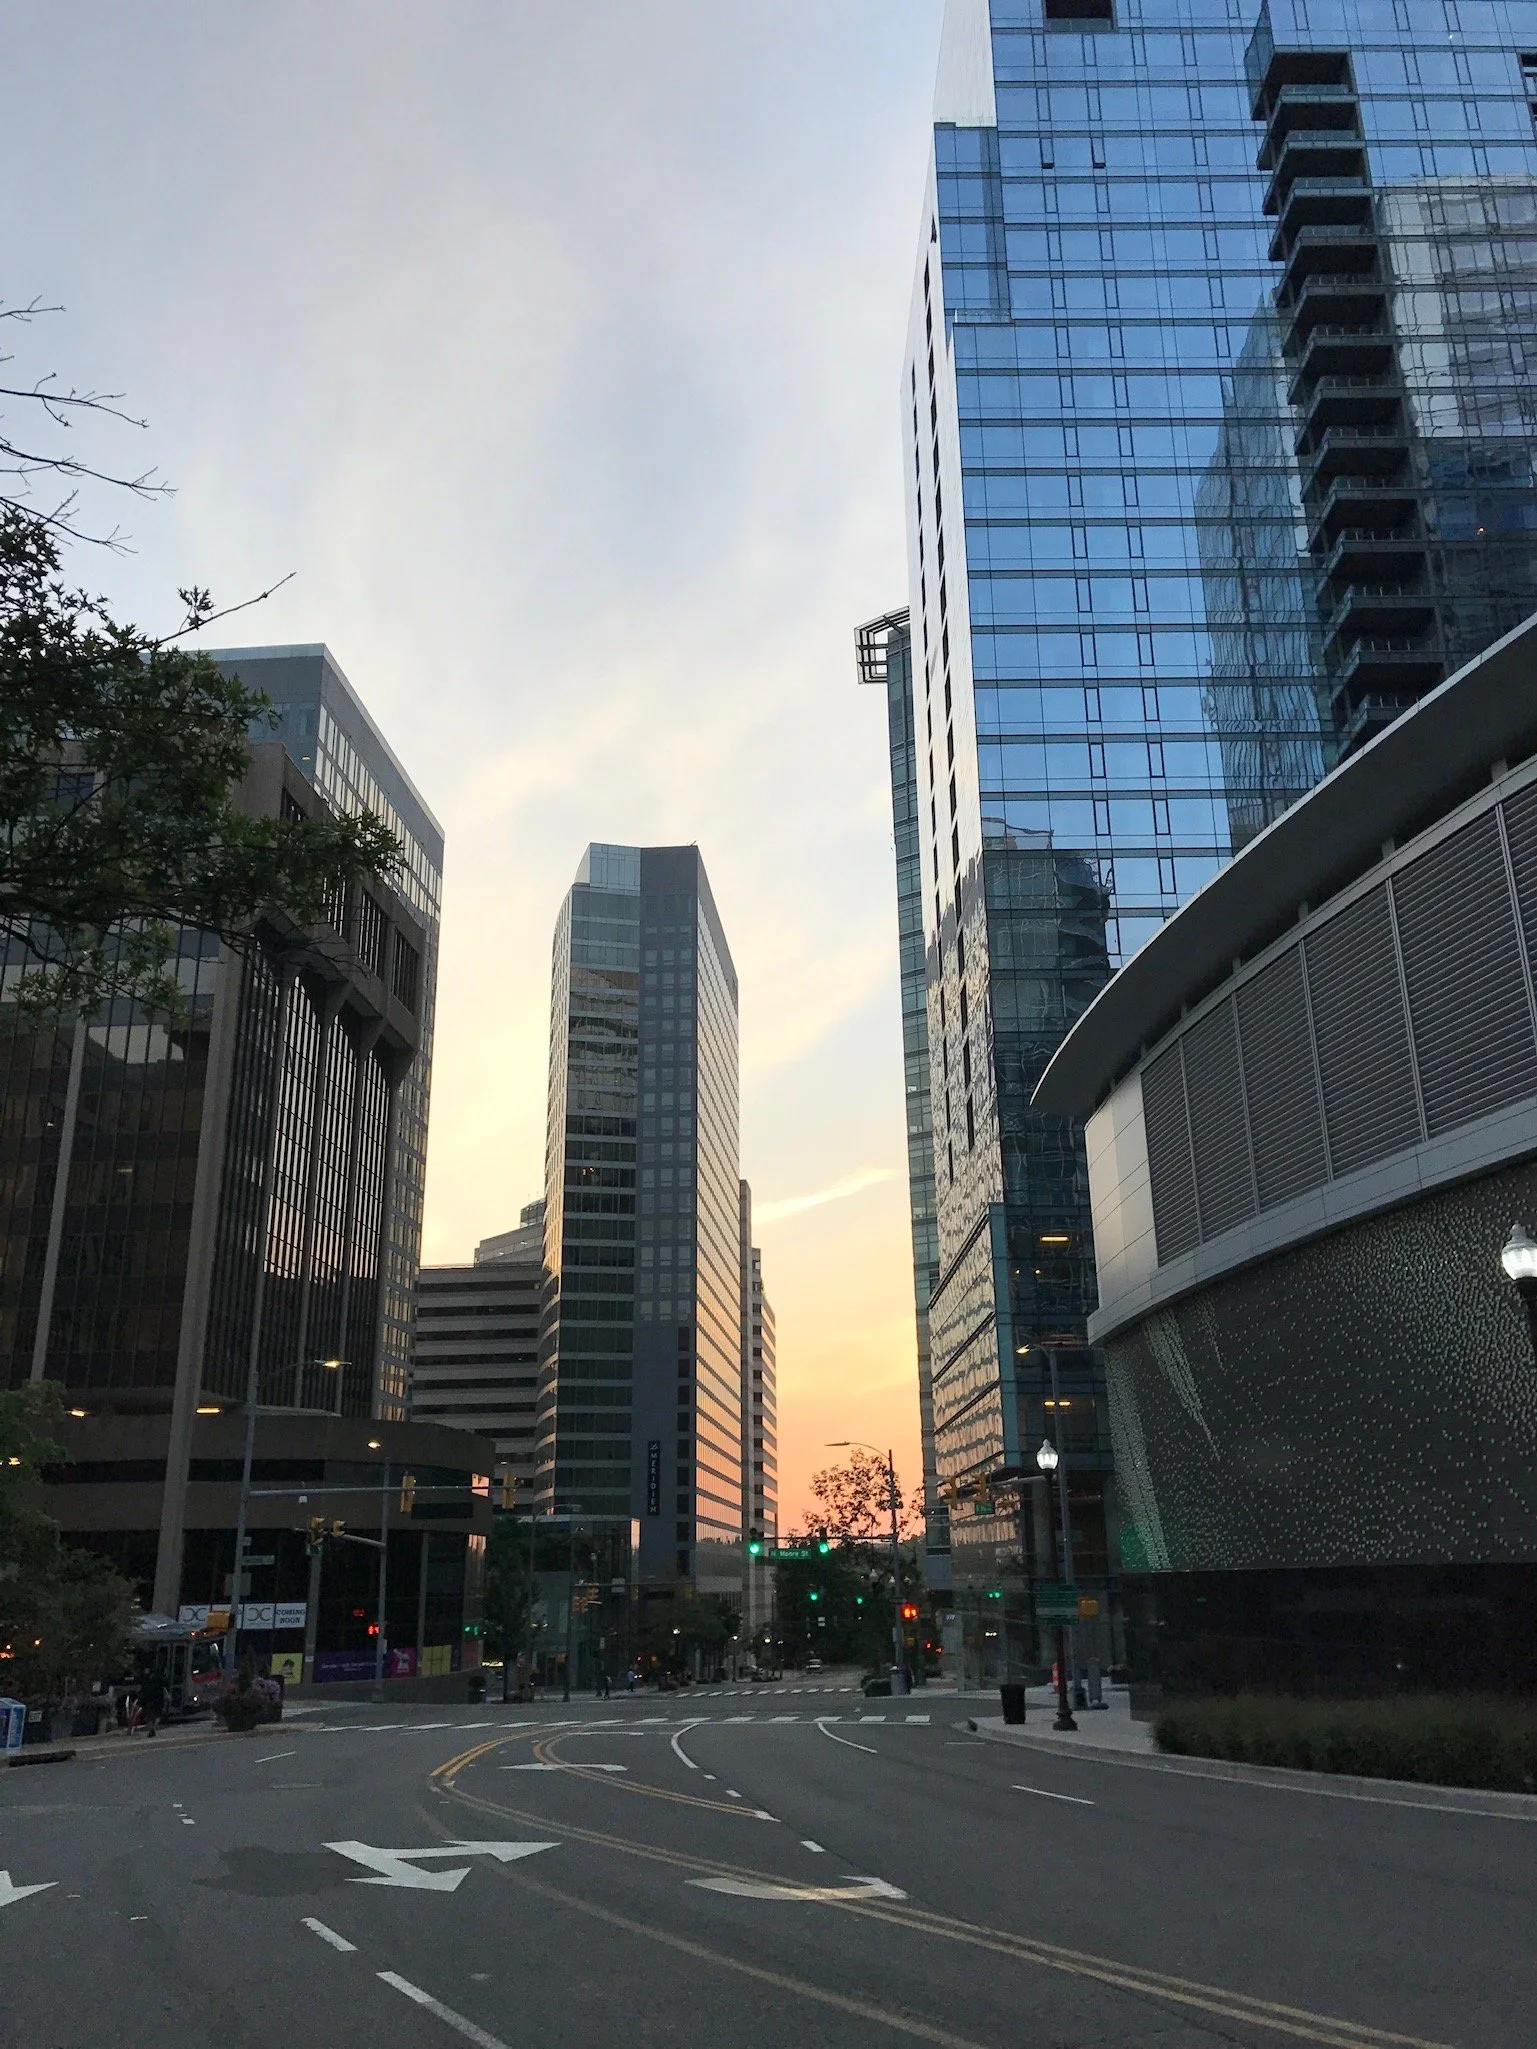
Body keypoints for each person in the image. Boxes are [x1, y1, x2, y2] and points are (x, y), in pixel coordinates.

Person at [138, 1663, 167, 1738]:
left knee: (149, 1715)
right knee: (158, 1715)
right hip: (157, 1698)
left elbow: (143, 1689)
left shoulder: (146, 1679)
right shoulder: (159, 1678)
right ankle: (153, 1728)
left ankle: (152, 1728)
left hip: (149, 1698)